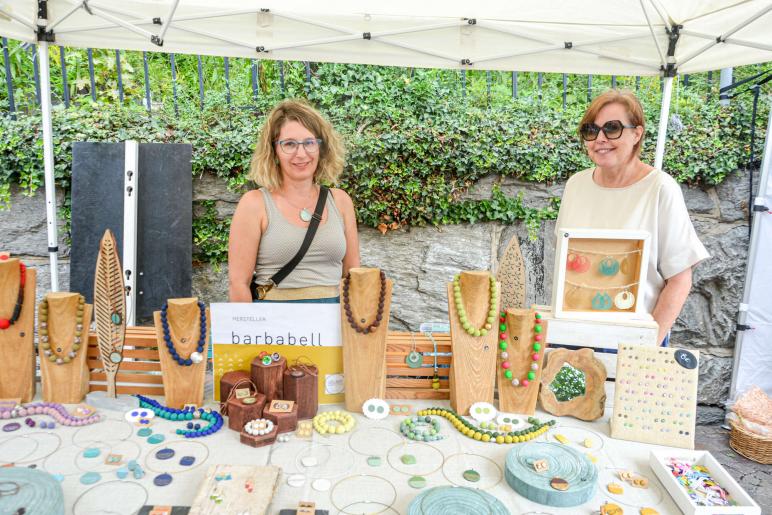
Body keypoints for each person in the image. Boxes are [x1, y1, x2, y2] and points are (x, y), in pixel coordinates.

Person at [555, 90, 709, 344]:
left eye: (612, 128)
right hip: (573, 335)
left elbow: (680, 279)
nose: (600, 138)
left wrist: (648, 346)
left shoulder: (660, 188)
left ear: (637, 133)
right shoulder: (576, 185)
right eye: (591, 130)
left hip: (633, 340)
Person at [228, 99, 360, 302]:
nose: (301, 153)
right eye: (289, 144)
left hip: (331, 325)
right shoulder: (254, 204)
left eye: (309, 143)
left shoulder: (340, 201)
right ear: (274, 151)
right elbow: (238, 284)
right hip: (275, 328)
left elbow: (353, 278)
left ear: (321, 148)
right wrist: (249, 331)